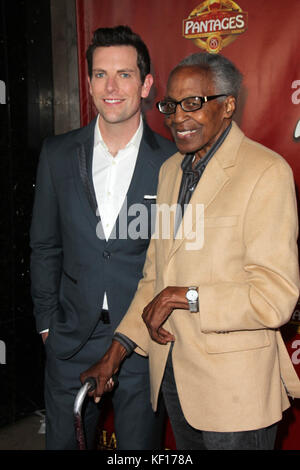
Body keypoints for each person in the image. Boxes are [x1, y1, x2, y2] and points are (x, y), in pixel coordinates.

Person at [80, 52, 300, 450]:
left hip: (237, 395)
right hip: (175, 382)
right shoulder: (170, 172)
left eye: (194, 103)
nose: (179, 117)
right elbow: (155, 278)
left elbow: (275, 297)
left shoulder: (266, 172)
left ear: (228, 105)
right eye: (171, 105)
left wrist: (186, 296)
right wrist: (117, 352)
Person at [30, 25, 176, 450]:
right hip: (68, 339)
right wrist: (45, 327)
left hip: (141, 342)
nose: (111, 87)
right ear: (89, 81)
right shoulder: (57, 154)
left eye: (125, 75)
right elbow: (44, 246)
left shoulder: (171, 162)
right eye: (100, 75)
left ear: (146, 84)